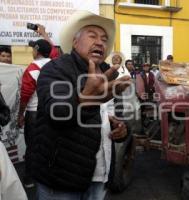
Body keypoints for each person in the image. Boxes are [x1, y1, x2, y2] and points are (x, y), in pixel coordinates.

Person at [31, 10, 130, 200]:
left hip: (100, 177)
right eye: (92, 36)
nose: (100, 42)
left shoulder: (109, 75)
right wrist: (87, 99)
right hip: (61, 182)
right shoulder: (56, 69)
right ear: (75, 43)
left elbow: (110, 114)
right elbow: (57, 113)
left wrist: (120, 128)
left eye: (104, 39)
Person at [17, 39, 53, 188]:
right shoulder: (56, 64)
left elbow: (25, 94)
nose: (32, 51)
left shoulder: (32, 68)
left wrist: (20, 114)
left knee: (32, 146)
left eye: (33, 49)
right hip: (53, 111)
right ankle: (49, 175)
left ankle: (30, 178)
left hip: (34, 113)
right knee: (51, 144)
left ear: (37, 50)